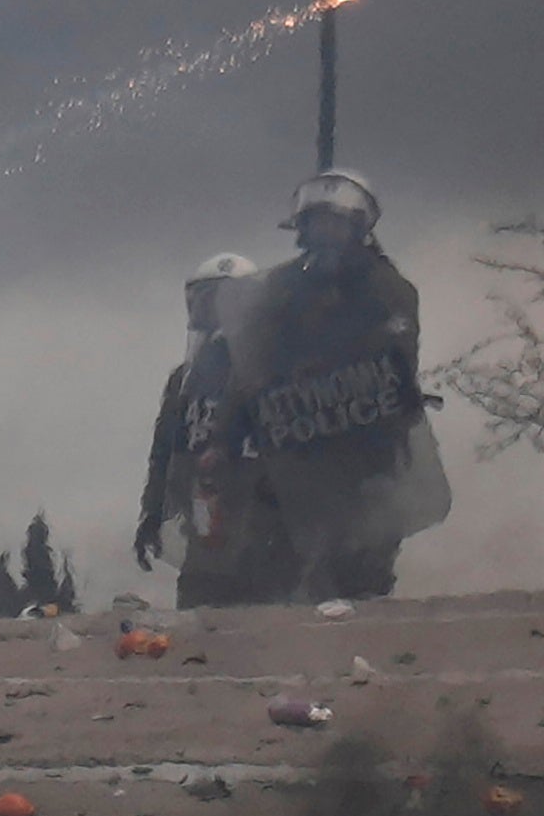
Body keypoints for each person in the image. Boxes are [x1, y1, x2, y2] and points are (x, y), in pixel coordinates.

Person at [223, 171, 444, 602]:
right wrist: (229, 433)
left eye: (336, 222)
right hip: (297, 444)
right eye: (317, 222)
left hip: (365, 442)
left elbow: (398, 355)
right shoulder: (280, 289)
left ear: (359, 228)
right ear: (301, 229)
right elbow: (248, 363)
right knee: (284, 557)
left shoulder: (387, 288)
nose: (326, 233)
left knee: (364, 557)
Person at [135, 253, 285, 606]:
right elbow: (164, 454)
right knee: (196, 623)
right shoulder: (183, 381)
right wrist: (152, 514)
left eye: (227, 301)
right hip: (205, 527)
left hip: (266, 529)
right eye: (207, 300)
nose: (216, 312)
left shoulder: (276, 372)